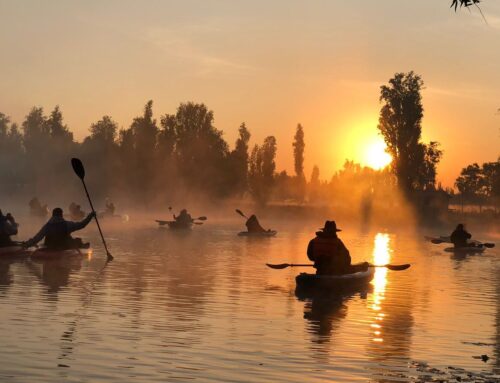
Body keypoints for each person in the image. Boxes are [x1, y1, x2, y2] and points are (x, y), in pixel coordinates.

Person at [23, 208, 95, 250]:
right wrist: (90, 216)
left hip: (50, 247)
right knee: (78, 240)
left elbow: (37, 238)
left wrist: (27, 244)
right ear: (61, 215)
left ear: (53, 215)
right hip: (62, 247)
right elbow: (82, 225)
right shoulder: (67, 224)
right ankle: (82, 246)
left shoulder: (47, 226)